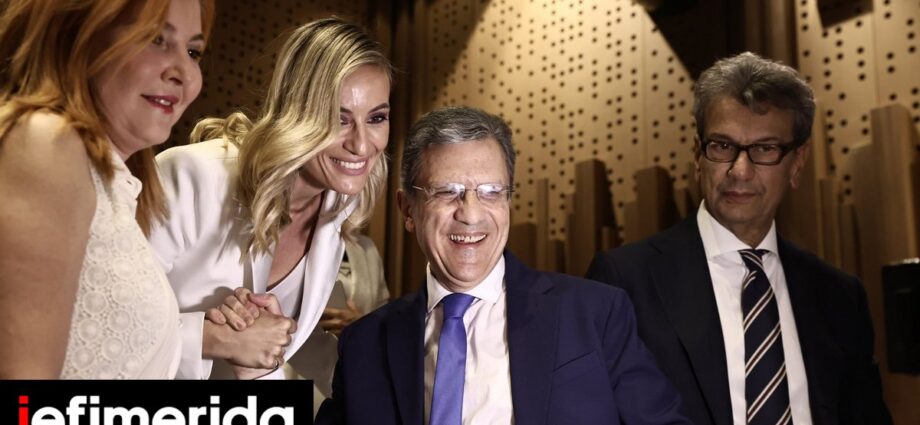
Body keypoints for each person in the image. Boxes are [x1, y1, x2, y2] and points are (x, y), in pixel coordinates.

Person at [316, 106, 690, 424]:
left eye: (491, 192)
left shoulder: (595, 314)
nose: (471, 214)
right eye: (447, 192)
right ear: (408, 210)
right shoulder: (363, 345)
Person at [586, 52, 891, 425]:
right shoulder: (623, 281)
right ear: (698, 156)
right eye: (722, 146)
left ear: (797, 163)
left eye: (764, 149)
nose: (740, 170)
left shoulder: (840, 295)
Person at [149, 17, 393, 380]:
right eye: (338, 119)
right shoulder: (192, 176)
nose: (360, 145)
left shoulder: (338, 204)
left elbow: (286, 341)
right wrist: (215, 338)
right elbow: (103, 319)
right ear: (296, 114)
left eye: (376, 118)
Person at [0, 0, 213, 379]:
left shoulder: (113, 182)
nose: (183, 73)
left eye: (193, 51)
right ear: (77, 32)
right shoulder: (45, 144)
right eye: (155, 39)